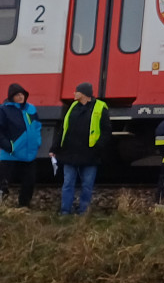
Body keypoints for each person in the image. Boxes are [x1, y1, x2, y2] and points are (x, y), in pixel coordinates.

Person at [50, 82, 111, 216]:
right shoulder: (72, 107)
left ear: (84, 94)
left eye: (76, 91)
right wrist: (54, 147)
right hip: (70, 154)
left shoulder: (100, 108)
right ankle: (65, 211)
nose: (74, 93)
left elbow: (106, 131)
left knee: (87, 186)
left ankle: (83, 211)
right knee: (68, 184)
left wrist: (97, 147)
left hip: (90, 155)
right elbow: (63, 130)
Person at [0, 83, 42, 208]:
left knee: (29, 182)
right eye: (17, 95)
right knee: (4, 183)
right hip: (10, 154)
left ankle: (24, 206)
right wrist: (9, 147)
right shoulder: (4, 110)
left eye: (22, 94)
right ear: (11, 97)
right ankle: (3, 207)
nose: (20, 97)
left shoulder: (31, 109)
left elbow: (37, 126)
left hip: (29, 154)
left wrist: (37, 142)